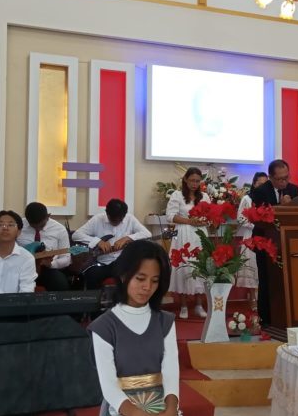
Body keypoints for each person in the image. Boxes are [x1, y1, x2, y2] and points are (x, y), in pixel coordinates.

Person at [88, 239, 179, 416]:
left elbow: (170, 371)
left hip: (161, 405)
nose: (147, 287)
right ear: (124, 276)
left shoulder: (165, 321)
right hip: (122, 408)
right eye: (140, 278)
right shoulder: (103, 327)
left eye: (154, 281)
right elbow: (108, 384)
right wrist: (136, 413)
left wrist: (171, 408)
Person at [249, 159, 298, 326]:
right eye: (280, 179)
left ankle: (288, 315)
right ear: (271, 177)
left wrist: (292, 207)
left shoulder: (293, 189)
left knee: (287, 280)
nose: (284, 182)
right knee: (266, 280)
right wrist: (281, 206)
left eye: (286, 177)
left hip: (287, 243)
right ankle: (266, 319)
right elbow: (262, 216)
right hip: (265, 243)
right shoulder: (260, 191)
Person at [73, 199, 152, 290]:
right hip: (103, 263)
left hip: (123, 261)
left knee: (131, 273)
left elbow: (148, 234)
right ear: (107, 213)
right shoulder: (98, 219)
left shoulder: (130, 219)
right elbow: (76, 235)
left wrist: (128, 238)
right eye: (113, 219)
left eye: (119, 220)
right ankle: (95, 299)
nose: (116, 222)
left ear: (124, 215)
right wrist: (97, 241)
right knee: (91, 275)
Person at [167, 167, 210, 319]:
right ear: (185, 179)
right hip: (183, 233)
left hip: (199, 234)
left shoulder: (204, 196)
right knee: (183, 266)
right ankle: (184, 305)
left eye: (197, 181)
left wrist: (204, 220)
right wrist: (189, 221)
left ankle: (199, 305)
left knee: (200, 267)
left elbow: (209, 216)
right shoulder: (177, 195)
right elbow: (170, 216)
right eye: (192, 180)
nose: (194, 184)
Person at [17, 202, 71, 291]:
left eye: (41, 225)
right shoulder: (18, 226)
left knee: (60, 283)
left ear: (48, 216)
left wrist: (51, 264)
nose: (37, 228)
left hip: (46, 269)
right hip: (21, 268)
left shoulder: (59, 229)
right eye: (33, 226)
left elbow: (66, 259)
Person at [236, 172, 268, 310]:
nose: (263, 187)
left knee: (264, 267)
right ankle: (253, 297)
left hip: (266, 236)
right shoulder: (247, 199)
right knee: (252, 265)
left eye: (265, 184)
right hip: (251, 235)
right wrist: (256, 225)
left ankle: (263, 297)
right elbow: (240, 218)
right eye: (260, 184)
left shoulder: (269, 198)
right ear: (254, 184)